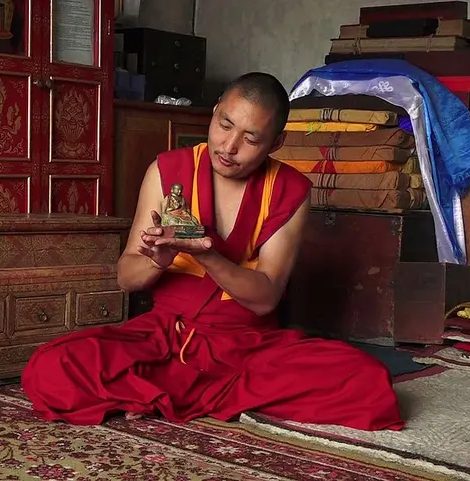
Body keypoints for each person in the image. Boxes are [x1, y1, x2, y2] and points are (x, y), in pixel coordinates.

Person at [21, 72, 405, 431]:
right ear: (217, 107)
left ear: (276, 143)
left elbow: (265, 298)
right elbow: (126, 277)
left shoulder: (290, 190)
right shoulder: (167, 170)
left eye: (251, 139)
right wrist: (157, 262)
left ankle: (155, 396)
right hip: (163, 340)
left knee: (366, 381)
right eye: (224, 124)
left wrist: (207, 255)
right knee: (49, 367)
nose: (229, 147)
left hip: (247, 349)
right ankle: (198, 396)